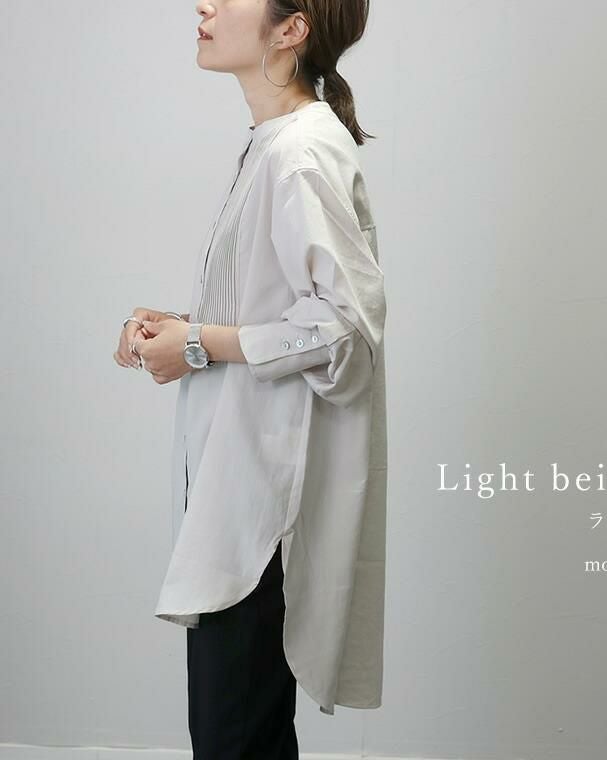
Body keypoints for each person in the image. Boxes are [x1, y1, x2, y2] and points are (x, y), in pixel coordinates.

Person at [112, 0, 388, 756]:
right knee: (240, 735)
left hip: (263, 507)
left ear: (291, 28)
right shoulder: (275, 144)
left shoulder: (300, 154)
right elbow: (281, 313)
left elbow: (344, 329)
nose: (204, 5)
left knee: (234, 739)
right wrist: (179, 328)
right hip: (242, 493)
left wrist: (197, 344)